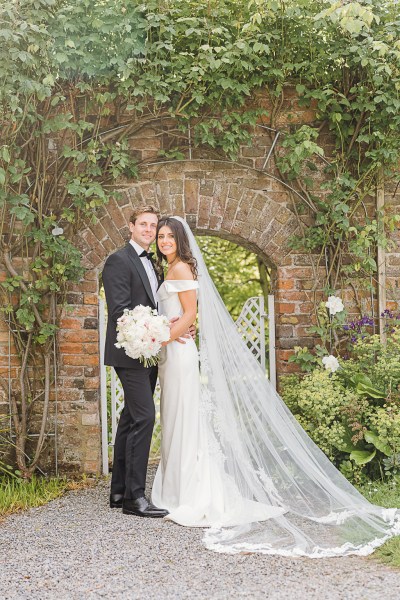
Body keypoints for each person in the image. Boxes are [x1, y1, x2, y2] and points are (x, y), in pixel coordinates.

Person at [152, 216, 400, 557]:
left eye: (169, 236)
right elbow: (179, 315)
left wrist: (160, 338)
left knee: (183, 418)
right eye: (160, 236)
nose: (164, 240)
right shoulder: (171, 268)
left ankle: (188, 493)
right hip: (172, 353)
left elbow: (191, 315)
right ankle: (176, 489)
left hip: (177, 354)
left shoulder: (181, 269)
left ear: (181, 240)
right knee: (177, 418)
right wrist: (161, 332)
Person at [102, 206, 193, 518]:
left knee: (130, 417)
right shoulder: (118, 260)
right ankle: (135, 498)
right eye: (144, 224)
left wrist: (173, 327)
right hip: (130, 352)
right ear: (131, 226)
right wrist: (161, 334)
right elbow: (120, 313)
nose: (149, 230)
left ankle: (118, 491)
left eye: (153, 226)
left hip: (150, 351)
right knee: (145, 417)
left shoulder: (154, 263)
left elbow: (158, 307)